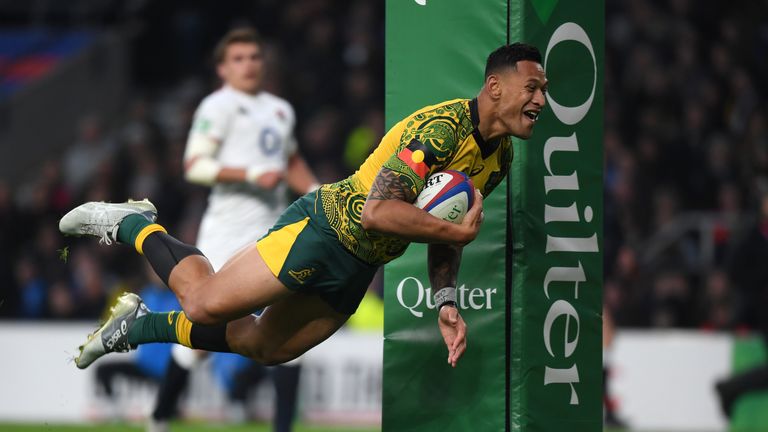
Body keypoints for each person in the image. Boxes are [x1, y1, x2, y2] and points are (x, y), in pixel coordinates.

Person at [60, 43, 547, 379]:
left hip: (360, 266)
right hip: (326, 229)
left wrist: (445, 301)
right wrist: (454, 233)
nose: (541, 100)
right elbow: (378, 212)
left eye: (543, 90)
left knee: (263, 347)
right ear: (496, 87)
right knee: (203, 303)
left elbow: (444, 233)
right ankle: (131, 223)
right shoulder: (442, 129)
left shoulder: (499, 158)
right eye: (532, 88)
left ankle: (135, 325)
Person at [148, 28, 317, 432]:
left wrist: (316, 192)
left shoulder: (280, 109)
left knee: (290, 333)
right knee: (199, 342)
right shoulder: (218, 106)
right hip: (224, 238)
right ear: (223, 68)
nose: (249, 64)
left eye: (254, 57)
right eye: (239, 58)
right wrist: (248, 173)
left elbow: (290, 159)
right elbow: (195, 164)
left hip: (273, 235)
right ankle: (159, 419)